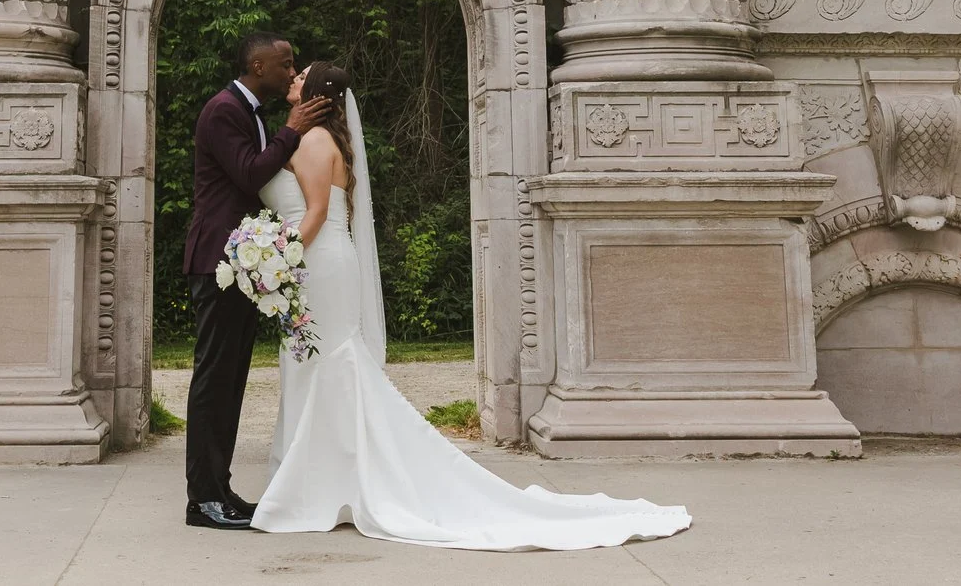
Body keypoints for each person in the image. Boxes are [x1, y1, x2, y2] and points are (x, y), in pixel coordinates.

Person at [249, 63, 691, 550]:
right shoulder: (317, 140)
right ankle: (328, 480)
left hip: (318, 263)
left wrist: (278, 261)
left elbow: (313, 214)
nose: (291, 80)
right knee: (318, 364)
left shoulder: (313, 144)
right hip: (321, 261)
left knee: (326, 363)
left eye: (301, 76)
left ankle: (322, 485)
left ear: (313, 93)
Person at [181, 31, 334, 530]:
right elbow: (248, 175)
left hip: (244, 266)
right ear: (258, 65)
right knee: (214, 380)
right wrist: (291, 128)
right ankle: (202, 498)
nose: (292, 72)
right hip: (217, 263)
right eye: (285, 64)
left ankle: (221, 490)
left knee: (232, 382)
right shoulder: (223, 110)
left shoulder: (251, 113)